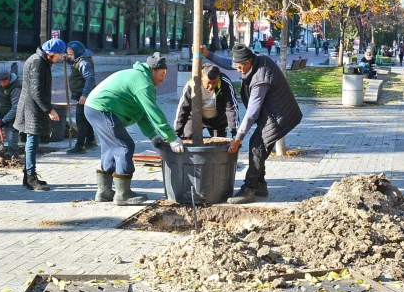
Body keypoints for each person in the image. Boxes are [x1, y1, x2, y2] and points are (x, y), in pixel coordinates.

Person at [202, 43, 303, 204]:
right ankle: (260, 185)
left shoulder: (261, 78)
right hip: (270, 113)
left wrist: (238, 138)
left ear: (248, 62)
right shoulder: (251, 62)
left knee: (257, 146)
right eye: (237, 65)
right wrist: (208, 54)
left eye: (240, 66)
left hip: (280, 115)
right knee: (258, 146)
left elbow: (251, 113)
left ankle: (249, 188)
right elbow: (230, 63)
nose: (237, 69)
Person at [85, 53, 182, 206]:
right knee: (124, 146)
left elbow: (141, 113)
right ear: (152, 70)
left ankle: (104, 191)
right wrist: (172, 138)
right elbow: (154, 112)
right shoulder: (144, 83)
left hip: (94, 108)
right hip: (102, 109)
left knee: (110, 147)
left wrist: (152, 135)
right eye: (162, 74)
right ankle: (123, 194)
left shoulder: (140, 77)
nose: (163, 79)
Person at [14, 39, 65, 191]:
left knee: (33, 141)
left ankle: (28, 175)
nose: (60, 58)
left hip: (32, 107)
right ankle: (30, 177)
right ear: (50, 54)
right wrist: (49, 110)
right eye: (59, 55)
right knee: (32, 142)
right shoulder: (37, 63)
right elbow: (36, 91)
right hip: (31, 109)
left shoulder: (40, 60)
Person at [174, 65, 239, 140]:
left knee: (219, 145)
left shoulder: (225, 83)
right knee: (189, 140)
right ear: (201, 77)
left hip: (218, 121)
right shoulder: (191, 84)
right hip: (194, 118)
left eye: (214, 82)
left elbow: (231, 108)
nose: (211, 86)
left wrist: (234, 132)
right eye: (208, 82)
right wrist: (176, 133)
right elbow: (183, 108)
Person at [65, 41, 96, 154]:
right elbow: (74, 62)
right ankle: (91, 139)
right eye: (68, 54)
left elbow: (90, 79)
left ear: (77, 52)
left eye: (71, 54)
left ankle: (80, 145)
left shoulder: (84, 63)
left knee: (80, 119)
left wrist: (84, 95)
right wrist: (68, 60)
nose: (69, 56)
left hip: (84, 95)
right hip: (81, 93)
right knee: (85, 117)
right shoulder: (79, 59)